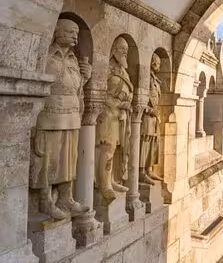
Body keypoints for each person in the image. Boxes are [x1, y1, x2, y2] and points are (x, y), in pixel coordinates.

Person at [31, 19, 91, 220]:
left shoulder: (74, 59)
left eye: (76, 32)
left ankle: (66, 198)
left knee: (69, 159)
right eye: (70, 31)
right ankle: (46, 201)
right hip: (51, 115)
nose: (75, 36)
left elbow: (75, 87)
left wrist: (85, 78)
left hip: (72, 115)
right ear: (57, 32)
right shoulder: (46, 55)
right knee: (49, 159)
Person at [95, 37, 133, 201]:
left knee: (116, 149)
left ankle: (111, 179)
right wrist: (117, 105)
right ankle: (103, 184)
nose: (125, 52)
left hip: (120, 115)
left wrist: (126, 103)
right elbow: (98, 93)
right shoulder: (106, 68)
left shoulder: (123, 70)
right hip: (108, 113)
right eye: (121, 48)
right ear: (113, 49)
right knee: (107, 148)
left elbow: (129, 91)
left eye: (126, 49)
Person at [140, 53, 164, 185]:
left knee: (153, 143)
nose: (158, 65)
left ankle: (149, 170)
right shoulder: (146, 78)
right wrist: (150, 110)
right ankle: (141, 172)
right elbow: (141, 99)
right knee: (145, 143)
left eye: (159, 63)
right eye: (156, 62)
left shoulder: (155, 79)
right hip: (146, 116)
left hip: (154, 118)